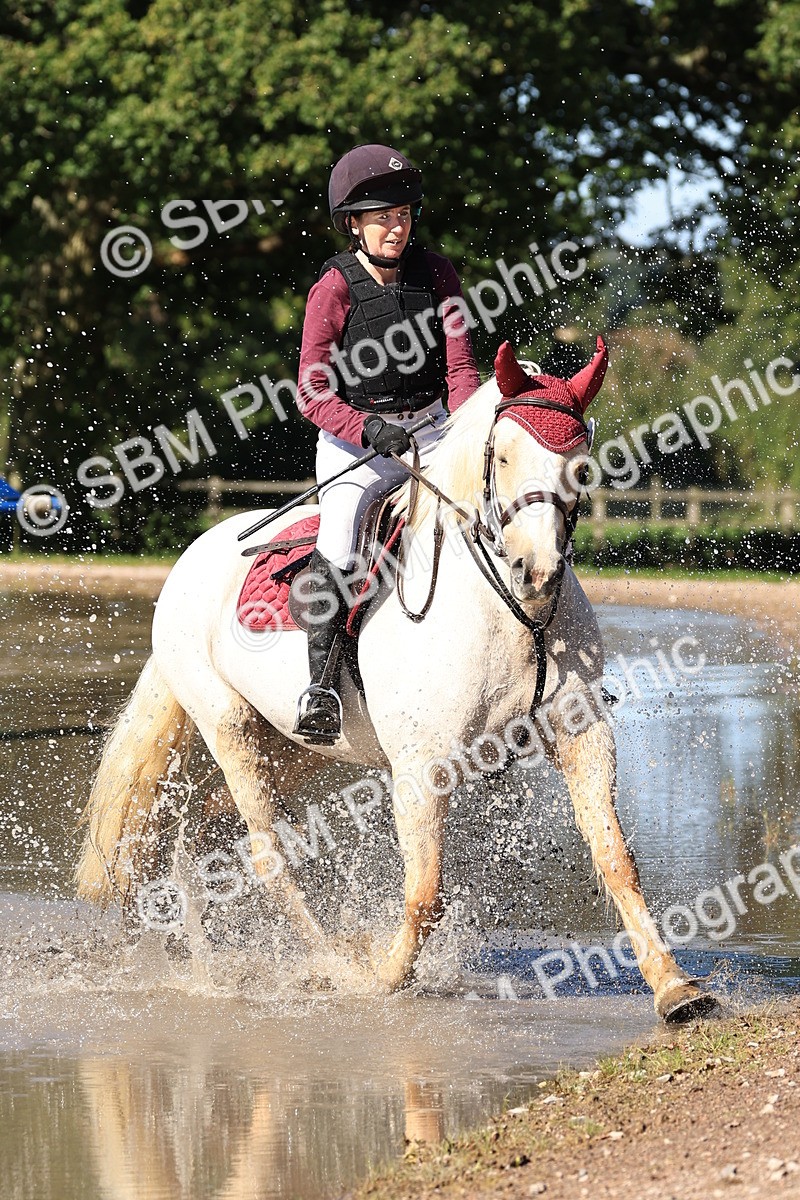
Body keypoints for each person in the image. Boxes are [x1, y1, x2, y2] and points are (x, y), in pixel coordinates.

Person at [293, 143, 481, 743]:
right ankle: (322, 687)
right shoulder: (333, 288)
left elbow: (460, 370)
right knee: (341, 540)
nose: (396, 228)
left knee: (495, 508)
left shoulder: (439, 274)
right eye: (382, 218)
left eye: (402, 215)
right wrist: (367, 429)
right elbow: (311, 391)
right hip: (357, 442)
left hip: (431, 429)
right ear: (354, 223)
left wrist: (466, 431)